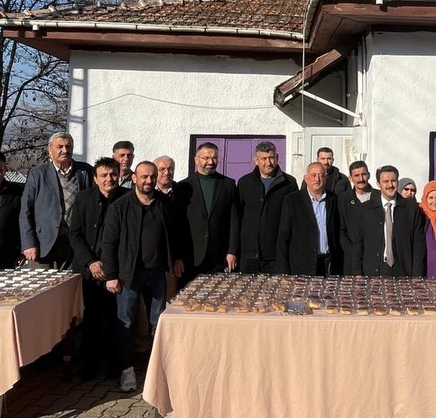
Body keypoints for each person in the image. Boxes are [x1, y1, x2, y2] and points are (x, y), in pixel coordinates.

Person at [101, 161, 183, 393]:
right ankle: (126, 370)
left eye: (152, 177)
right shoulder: (120, 206)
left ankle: (156, 370)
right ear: (135, 177)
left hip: (157, 274)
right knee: (126, 323)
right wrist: (112, 275)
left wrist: (175, 258)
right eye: (144, 176)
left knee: (158, 322)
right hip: (129, 275)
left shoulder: (164, 203)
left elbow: (174, 233)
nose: (149, 181)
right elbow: (109, 243)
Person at [67, 156, 127, 379]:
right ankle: (82, 368)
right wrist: (91, 262)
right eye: (103, 175)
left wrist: (110, 267)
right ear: (95, 179)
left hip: (114, 271)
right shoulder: (83, 199)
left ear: (119, 176)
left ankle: (109, 368)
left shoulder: (126, 199)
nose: (109, 179)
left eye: (112, 174)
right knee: (87, 319)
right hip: (87, 268)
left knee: (112, 320)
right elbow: (75, 233)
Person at [20, 132, 94, 270]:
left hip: (75, 245)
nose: (65, 150)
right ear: (50, 150)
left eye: (68, 146)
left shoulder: (85, 171)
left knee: (71, 287)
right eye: (60, 146)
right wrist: (29, 243)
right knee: (42, 288)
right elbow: (26, 210)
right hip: (44, 244)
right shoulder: (37, 174)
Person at [342, 165, 425, 277]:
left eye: (393, 181)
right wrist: (357, 273)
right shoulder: (365, 209)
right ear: (378, 184)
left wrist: (417, 276)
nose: (390, 185)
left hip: (403, 273)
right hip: (373, 272)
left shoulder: (411, 208)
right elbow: (358, 243)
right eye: (385, 181)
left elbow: (418, 245)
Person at [173, 141, 238, 282]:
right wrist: (177, 256)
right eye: (206, 158)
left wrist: (232, 251)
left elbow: (234, 220)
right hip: (191, 255)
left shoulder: (228, 184)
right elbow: (178, 224)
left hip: (219, 255)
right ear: (196, 160)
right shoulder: (183, 186)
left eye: (214, 158)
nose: (210, 161)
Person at [232, 141, 298, 274]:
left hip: (276, 256)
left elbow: (295, 219)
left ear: (277, 157)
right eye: (264, 159)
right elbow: (236, 218)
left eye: (271, 158)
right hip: (248, 256)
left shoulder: (289, 183)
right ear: (256, 160)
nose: (268, 163)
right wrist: (233, 250)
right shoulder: (245, 183)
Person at [277, 163, 341, 276]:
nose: (317, 179)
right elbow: (283, 238)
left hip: (328, 264)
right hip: (302, 266)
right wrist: (284, 272)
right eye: (313, 175)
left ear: (326, 178)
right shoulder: (292, 201)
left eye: (321, 175)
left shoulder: (334, 199)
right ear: (306, 178)